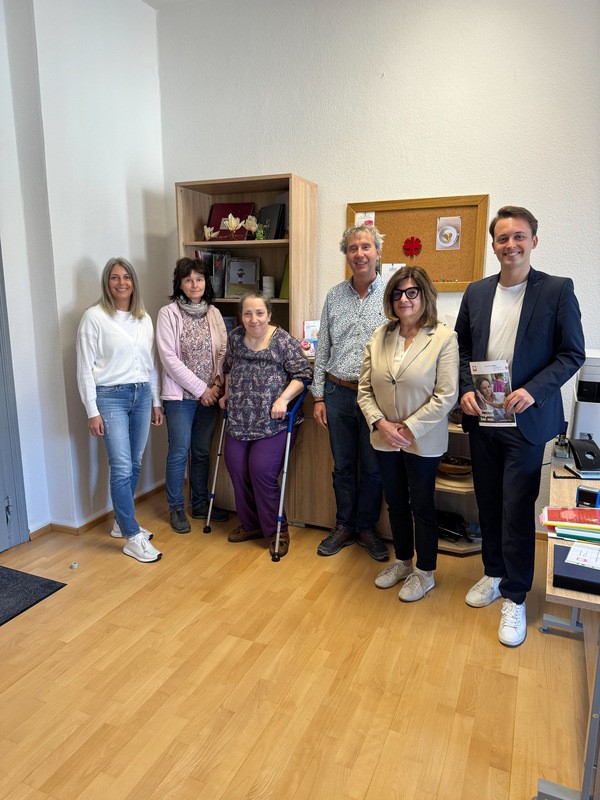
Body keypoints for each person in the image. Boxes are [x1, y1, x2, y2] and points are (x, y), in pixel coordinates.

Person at [455, 205, 585, 646]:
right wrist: (464, 389)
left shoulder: (557, 290)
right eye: (502, 238)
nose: (510, 245)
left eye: (519, 237)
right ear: (493, 245)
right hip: (483, 417)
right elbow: (460, 350)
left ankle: (515, 595)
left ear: (533, 241)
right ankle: (493, 573)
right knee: (488, 502)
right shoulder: (476, 292)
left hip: (526, 420)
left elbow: (571, 353)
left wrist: (534, 390)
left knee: (516, 508)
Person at [358, 266, 459, 601]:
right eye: (398, 293)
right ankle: (403, 561)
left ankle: (424, 572)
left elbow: (446, 395)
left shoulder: (443, 338)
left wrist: (408, 428)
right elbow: (364, 390)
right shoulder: (380, 336)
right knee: (396, 502)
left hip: (422, 439)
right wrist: (381, 423)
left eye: (412, 292)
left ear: (424, 295)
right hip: (384, 438)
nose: (404, 299)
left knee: (422, 504)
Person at [76, 257, 164, 563]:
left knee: (134, 462)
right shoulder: (94, 317)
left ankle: (119, 522)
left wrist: (155, 401)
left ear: (133, 282)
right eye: (115, 277)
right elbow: (84, 368)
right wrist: (92, 410)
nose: (121, 282)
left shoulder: (144, 318)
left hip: (141, 395)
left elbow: (151, 365)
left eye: (126, 277)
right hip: (110, 397)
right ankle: (131, 535)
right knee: (122, 466)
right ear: (107, 282)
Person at [312, 224, 388, 562]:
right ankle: (344, 525)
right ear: (346, 255)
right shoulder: (334, 296)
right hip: (337, 392)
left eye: (366, 247)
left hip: (377, 396)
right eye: (353, 248)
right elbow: (323, 348)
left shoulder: (392, 294)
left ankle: (366, 528)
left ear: (377, 252)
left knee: (373, 468)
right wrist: (318, 397)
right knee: (343, 466)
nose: (359, 254)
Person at [220, 291, 312, 558]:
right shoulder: (235, 338)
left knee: (260, 470)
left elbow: (303, 374)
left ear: (269, 314)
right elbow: (228, 368)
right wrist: (226, 393)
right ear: (241, 316)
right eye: (248, 313)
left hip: (274, 422)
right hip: (239, 418)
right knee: (236, 467)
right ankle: (252, 525)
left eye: (259, 313)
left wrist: (283, 399)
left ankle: (277, 530)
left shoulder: (283, 341)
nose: (254, 319)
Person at [155, 257, 230, 534]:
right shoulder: (168, 314)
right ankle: (176, 508)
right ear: (180, 284)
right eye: (188, 280)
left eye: (199, 279)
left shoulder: (214, 312)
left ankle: (199, 504)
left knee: (201, 451)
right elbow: (169, 359)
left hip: (210, 394)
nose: (194, 284)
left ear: (206, 282)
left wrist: (217, 385)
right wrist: (202, 390)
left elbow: (224, 350)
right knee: (178, 452)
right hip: (181, 398)